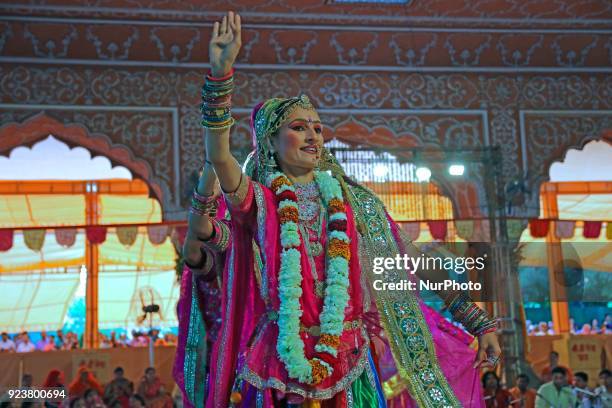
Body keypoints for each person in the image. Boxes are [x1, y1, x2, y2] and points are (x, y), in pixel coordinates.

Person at [178, 10, 502, 408]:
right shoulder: (260, 202)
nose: (314, 136)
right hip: (281, 364)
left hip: (349, 363)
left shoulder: (353, 203)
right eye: (299, 128)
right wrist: (220, 75)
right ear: (271, 142)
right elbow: (220, 156)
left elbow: (413, 264)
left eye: (317, 128)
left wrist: (476, 320)